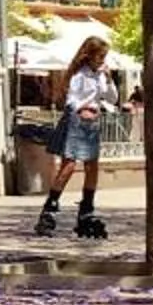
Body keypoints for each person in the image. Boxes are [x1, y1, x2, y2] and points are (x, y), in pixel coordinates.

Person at [35, 33, 116, 239]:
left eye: (104, 57)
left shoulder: (100, 75)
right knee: (69, 165)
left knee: (92, 166)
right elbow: (71, 99)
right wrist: (82, 109)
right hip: (77, 120)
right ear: (90, 55)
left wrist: (109, 79)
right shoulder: (79, 74)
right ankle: (50, 208)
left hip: (93, 122)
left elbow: (111, 98)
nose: (103, 60)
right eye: (100, 56)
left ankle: (86, 209)